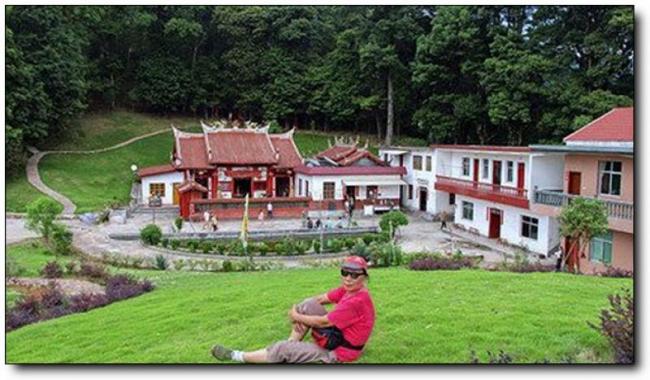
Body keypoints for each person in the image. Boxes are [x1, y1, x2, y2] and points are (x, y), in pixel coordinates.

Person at [211, 256, 375, 364]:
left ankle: (236, 356)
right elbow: (319, 299)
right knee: (307, 304)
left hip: (339, 352)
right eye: (345, 272)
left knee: (281, 349)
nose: (348, 278)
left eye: (354, 275)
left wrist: (295, 316)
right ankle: (291, 346)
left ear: (364, 277)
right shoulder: (350, 289)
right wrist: (299, 310)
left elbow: (322, 321)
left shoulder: (358, 300)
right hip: (337, 336)